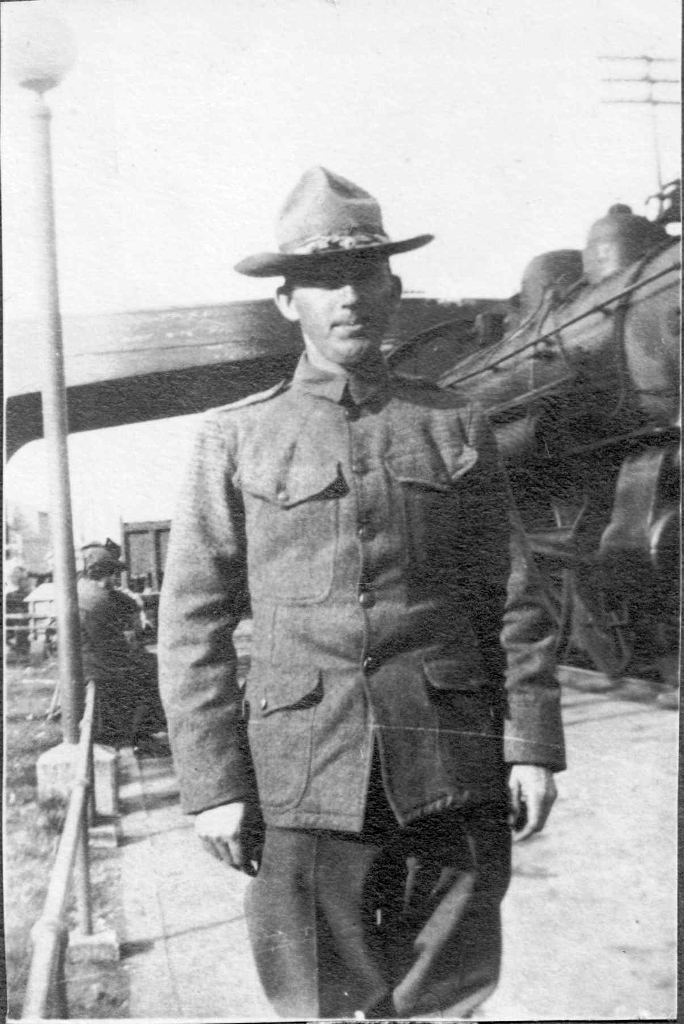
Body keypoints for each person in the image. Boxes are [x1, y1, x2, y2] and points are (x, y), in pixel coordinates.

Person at [158, 167, 565, 1020]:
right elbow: (192, 624)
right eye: (322, 280)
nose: (348, 297)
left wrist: (531, 744)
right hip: (302, 780)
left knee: (448, 1002)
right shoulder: (236, 436)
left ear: (394, 290)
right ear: (286, 300)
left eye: (365, 275)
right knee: (320, 1003)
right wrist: (214, 785)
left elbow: (514, 597)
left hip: (449, 765)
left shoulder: (451, 422)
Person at [78, 540, 168, 754]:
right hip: (96, 663)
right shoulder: (99, 599)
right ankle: (140, 734)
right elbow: (112, 645)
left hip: (89, 657)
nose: (116, 579)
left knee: (147, 663)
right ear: (106, 574)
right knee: (151, 668)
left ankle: (142, 732)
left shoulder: (84, 589)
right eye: (113, 574)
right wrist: (134, 649)